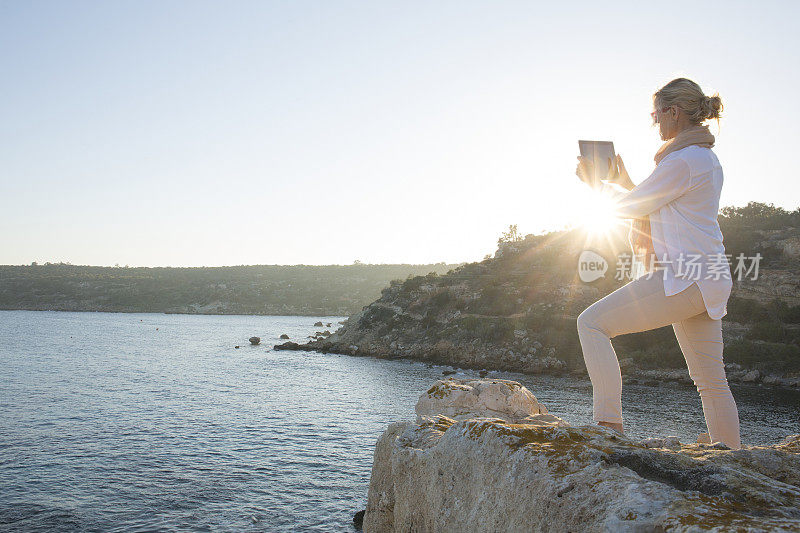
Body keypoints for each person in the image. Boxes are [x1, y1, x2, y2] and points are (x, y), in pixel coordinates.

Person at [574, 77, 741, 450]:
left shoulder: (683, 160)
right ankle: (731, 456)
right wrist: (622, 181)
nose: (654, 122)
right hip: (707, 276)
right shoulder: (702, 158)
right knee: (711, 381)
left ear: (673, 112)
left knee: (591, 323)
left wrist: (595, 185)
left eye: (655, 113)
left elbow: (634, 206)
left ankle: (608, 424)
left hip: (684, 277)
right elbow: (657, 201)